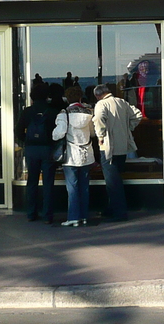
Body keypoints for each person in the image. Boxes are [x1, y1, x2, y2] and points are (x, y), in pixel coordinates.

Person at [93, 83, 143, 221]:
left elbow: (98, 119)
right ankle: (112, 208)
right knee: (116, 178)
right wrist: (129, 128)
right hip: (123, 146)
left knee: (112, 182)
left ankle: (119, 212)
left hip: (109, 147)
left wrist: (101, 136)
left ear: (98, 95)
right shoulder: (122, 102)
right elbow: (137, 115)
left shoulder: (101, 105)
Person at [16, 81, 60, 224]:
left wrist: (26, 142)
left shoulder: (27, 111)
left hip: (31, 149)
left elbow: (18, 131)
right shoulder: (52, 111)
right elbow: (58, 133)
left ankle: (31, 213)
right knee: (48, 183)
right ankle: (48, 215)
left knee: (32, 181)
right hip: (47, 149)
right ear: (47, 96)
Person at [54, 85, 95, 227]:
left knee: (72, 188)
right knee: (84, 187)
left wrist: (53, 135)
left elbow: (59, 133)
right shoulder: (88, 112)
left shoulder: (64, 114)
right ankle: (83, 216)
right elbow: (93, 133)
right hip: (87, 154)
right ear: (80, 97)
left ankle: (73, 217)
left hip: (71, 155)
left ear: (67, 98)